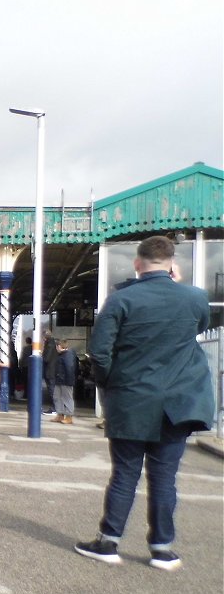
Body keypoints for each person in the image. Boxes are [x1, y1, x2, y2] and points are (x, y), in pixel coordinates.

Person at [74, 236, 215, 571]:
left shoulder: (121, 300)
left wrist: (110, 385)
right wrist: (176, 285)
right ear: (172, 265)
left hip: (131, 401)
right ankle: (162, 550)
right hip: (178, 405)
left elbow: (100, 352)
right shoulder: (196, 298)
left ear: (137, 264)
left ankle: (108, 543)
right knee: (165, 479)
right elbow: (200, 327)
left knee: (125, 474)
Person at [51, 337, 77, 424]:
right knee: (57, 397)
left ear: (59, 346)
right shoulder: (63, 355)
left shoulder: (67, 355)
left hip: (66, 381)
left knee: (67, 398)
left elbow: (69, 368)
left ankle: (69, 416)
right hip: (60, 380)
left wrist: (70, 381)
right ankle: (60, 414)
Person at [41, 328, 58, 415]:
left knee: (52, 390)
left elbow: (47, 358)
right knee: (52, 390)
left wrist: (41, 356)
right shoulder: (52, 343)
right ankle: (55, 408)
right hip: (52, 370)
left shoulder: (50, 345)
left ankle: (54, 408)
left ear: (45, 337)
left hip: (50, 371)